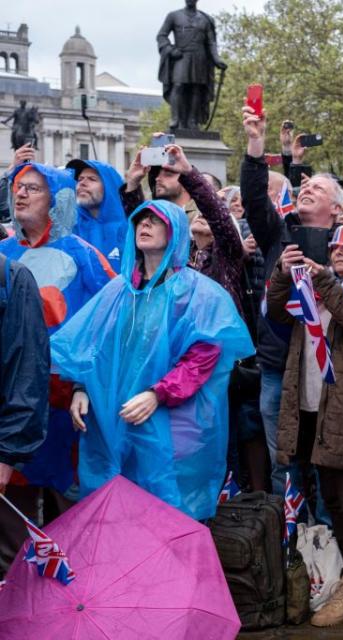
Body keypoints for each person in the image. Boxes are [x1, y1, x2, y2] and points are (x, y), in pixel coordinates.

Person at [50, 200, 253, 520]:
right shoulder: (118, 291)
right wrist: (82, 387)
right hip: (115, 417)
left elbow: (201, 358)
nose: (144, 225)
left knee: (164, 507)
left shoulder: (198, 293)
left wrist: (157, 393)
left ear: (174, 232)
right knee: (114, 506)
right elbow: (94, 345)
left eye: (154, 221)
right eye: (139, 220)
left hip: (172, 420)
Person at [265, 225, 343, 628]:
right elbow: (275, 310)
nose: (339, 249)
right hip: (310, 403)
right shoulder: (313, 282)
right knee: (325, 492)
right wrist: (282, 272)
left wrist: (325, 279)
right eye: (334, 244)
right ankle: (334, 572)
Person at [241, 104, 342, 496]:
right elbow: (252, 198)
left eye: (317, 188)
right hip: (276, 367)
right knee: (282, 459)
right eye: (304, 186)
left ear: (336, 208)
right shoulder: (278, 232)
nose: (306, 190)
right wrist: (255, 143)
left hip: (327, 370)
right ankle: (289, 534)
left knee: (325, 461)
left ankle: (325, 540)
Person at [0, 162, 115, 498]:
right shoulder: (4, 256)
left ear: (56, 199)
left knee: (66, 510)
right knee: (14, 514)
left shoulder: (85, 257)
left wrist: (85, 384)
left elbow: (109, 325)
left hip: (67, 406)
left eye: (33, 188)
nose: (20, 194)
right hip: (12, 404)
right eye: (19, 186)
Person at [122, 143, 245, 311]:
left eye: (206, 213)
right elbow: (143, 224)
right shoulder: (178, 255)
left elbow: (218, 216)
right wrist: (132, 183)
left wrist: (188, 172)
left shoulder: (226, 255)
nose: (202, 214)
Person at [0, 255, 50, 577]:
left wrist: (5, 455)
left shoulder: (13, 278)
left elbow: (27, 372)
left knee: (10, 558)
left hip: (2, 442)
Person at [156, 0, 228, 130]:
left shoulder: (206, 19)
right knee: (178, 85)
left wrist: (217, 59)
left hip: (200, 58)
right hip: (181, 56)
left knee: (197, 88)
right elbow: (161, 36)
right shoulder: (174, 15)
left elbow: (211, 42)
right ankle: (175, 119)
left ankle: (192, 121)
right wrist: (171, 50)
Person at [67, 159, 128, 272]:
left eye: (92, 179)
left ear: (109, 187)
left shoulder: (130, 229)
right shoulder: (69, 227)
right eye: (80, 179)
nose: (82, 183)